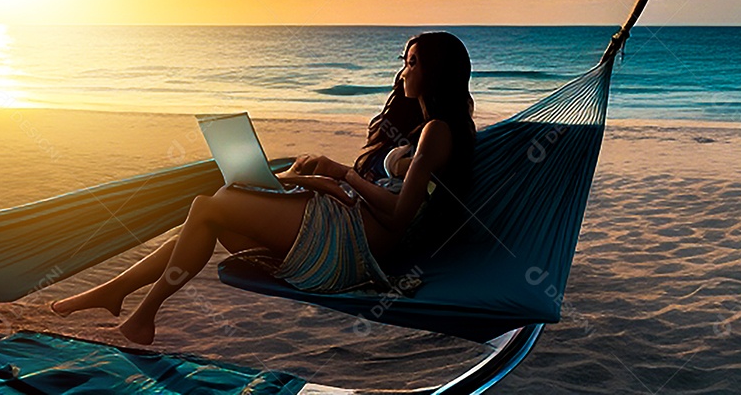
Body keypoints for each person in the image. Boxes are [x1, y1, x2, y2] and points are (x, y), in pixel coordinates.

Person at [48, 31, 477, 345]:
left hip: (355, 248)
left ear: (437, 72)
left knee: (211, 205)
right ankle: (119, 293)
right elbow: (385, 194)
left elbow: (402, 215)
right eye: (405, 59)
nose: (404, 70)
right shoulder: (421, 127)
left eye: (414, 61)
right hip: (347, 227)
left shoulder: (437, 131)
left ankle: (142, 311)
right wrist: (317, 180)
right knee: (211, 214)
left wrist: (340, 175)